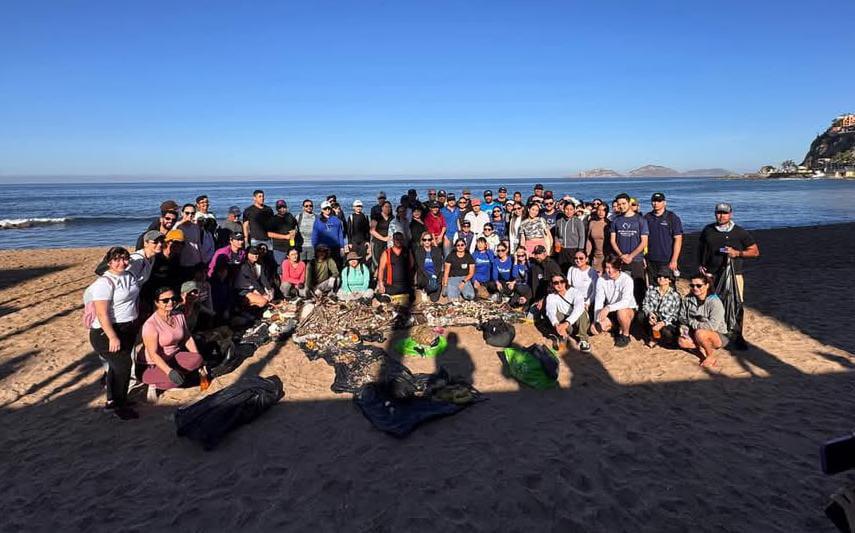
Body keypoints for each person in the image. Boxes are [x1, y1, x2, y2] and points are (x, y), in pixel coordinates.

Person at [85, 246, 141, 419]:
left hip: (128, 328)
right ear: (109, 262)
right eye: (116, 259)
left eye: (124, 258)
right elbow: (101, 313)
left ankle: (112, 401)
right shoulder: (104, 283)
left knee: (115, 368)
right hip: (107, 332)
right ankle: (119, 404)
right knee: (124, 366)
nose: (121, 263)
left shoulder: (129, 276)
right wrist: (112, 336)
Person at [141, 287, 204, 392]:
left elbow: (187, 337)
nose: (170, 302)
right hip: (155, 363)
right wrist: (169, 371)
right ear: (157, 303)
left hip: (174, 356)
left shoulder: (179, 315)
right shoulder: (150, 325)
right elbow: (153, 354)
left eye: (173, 299)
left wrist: (197, 358)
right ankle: (154, 384)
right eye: (165, 300)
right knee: (173, 380)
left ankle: (180, 375)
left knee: (198, 359)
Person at [697, 202, 760, 300]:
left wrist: (737, 253)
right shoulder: (708, 230)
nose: (721, 216)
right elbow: (701, 248)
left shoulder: (739, 232)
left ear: (730, 214)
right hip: (711, 275)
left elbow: (755, 252)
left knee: (735, 305)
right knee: (710, 304)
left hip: (733, 275)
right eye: (719, 213)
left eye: (725, 213)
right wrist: (701, 264)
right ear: (715, 214)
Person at [678, 272, 729, 367]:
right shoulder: (688, 299)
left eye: (699, 285)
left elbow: (713, 326)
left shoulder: (714, 301)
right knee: (682, 341)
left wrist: (693, 323)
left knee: (700, 333)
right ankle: (702, 345)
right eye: (692, 285)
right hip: (695, 330)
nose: (695, 288)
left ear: (707, 285)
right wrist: (684, 330)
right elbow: (682, 316)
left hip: (718, 334)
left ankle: (710, 356)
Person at [610, 193, 649, 307]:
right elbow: (613, 240)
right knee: (620, 287)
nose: (621, 206)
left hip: (636, 259)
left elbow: (644, 242)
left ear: (629, 203)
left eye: (624, 203)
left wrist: (631, 256)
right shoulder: (616, 221)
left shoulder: (640, 220)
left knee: (638, 288)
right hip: (620, 259)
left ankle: (639, 312)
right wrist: (621, 255)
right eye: (619, 204)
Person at [591, 255, 637, 348]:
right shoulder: (601, 280)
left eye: (612, 267)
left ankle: (625, 334)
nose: (610, 270)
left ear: (619, 267)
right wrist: (597, 320)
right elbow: (599, 300)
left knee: (621, 312)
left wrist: (608, 308)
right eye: (607, 267)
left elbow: (626, 302)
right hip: (611, 311)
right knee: (595, 329)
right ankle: (617, 327)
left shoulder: (627, 280)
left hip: (627, 310)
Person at [644, 192, 684, 285]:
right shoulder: (647, 217)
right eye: (654, 201)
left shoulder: (672, 218)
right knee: (653, 286)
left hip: (667, 259)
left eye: (659, 201)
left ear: (664, 203)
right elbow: (643, 239)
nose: (656, 203)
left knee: (668, 287)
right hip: (651, 259)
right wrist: (643, 257)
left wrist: (674, 260)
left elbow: (678, 239)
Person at [545, 274, 591, 352]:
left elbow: (579, 308)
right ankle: (563, 335)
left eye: (561, 281)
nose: (559, 284)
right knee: (556, 314)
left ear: (565, 282)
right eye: (556, 283)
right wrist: (556, 324)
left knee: (582, 311)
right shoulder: (551, 296)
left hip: (581, 323)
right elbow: (550, 310)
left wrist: (567, 323)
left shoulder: (574, 292)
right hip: (567, 326)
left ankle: (583, 340)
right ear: (552, 285)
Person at [640, 266, 681, 348]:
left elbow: (676, 315)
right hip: (654, 317)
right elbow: (645, 304)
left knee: (667, 332)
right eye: (659, 276)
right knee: (640, 316)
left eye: (665, 277)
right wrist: (650, 313)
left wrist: (663, 323)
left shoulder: (675, 295)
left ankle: (659, 339)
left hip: (667, 322)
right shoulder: (651, 289)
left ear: (670, 280)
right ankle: (651, 336)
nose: (661, 278)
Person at [376, 232, 413, 303]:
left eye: (400, 239)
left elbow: (411, 264)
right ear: (393, 240)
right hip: (391, 285)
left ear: (403, 240)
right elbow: (381, 269)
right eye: (396, 239)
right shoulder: (386, 253)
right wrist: (380, 283)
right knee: (383, 298)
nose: (398, 241)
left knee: (411, 298)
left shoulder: (407, 251)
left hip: (404, 285)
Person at [554, 200, 586, 272]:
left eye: (571, 209)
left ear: (574, 210)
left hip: (574, 250)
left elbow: (582, 236)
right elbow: (556, 235)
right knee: (562, 270)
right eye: (567, 209)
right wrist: (557, 243)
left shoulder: (578, 221)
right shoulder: (559, 221)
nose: (569, 211)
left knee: (574, 270)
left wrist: (580, 250)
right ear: (563, 210)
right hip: (562, 250)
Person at [312, 200, 346, 265]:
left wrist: (342, 247)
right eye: (325, 209)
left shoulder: (336, 220)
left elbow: (340, 234)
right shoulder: (318, 221)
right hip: (322, 248)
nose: (327, 210)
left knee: (336, 266)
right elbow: (315, 235)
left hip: (335, 247)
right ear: (322, 210)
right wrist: (315, 247)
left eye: (329, 208)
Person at [267, 199, 298, 269]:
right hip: (279, 248)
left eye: (284, 207)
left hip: (291, 247)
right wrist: (285, 236)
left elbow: (295, 227)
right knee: (279, 269)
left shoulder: (290, 216)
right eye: (280, 208)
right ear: (277, 209)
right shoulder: (273, 219)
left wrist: (294, 231)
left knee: (291, 268)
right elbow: (269, 234)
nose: (282, 209)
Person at [414, 231, 444, 302]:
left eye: (429, 239)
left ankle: (430, 288)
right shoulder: (418, 251)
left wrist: (434, 276)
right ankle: (424, 290)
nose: (427, 241)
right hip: (424, 275)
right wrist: (430, 277)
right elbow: (421, 267)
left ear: (431, 240)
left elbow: (439, 265)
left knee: (434, 299)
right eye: (425, 239)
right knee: (432, 286)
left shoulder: (437, 250)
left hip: (435, 275)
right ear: (422, 240)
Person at [175, 203, 204, 271]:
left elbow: (198, 244)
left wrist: (202, 260)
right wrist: (181, 222)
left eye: (192, 213)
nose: (190, 215)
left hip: (196, 261)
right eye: (187, 213)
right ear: (182, 213)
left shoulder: (196, 227)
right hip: (183, 263)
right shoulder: (178, 226)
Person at [586, 202, 610, 273]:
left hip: (606, 257)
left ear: (607, 212)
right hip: (595, 256)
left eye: (603, 210)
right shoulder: (592, 223)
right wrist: (587, 254)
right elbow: (589, 240)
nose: (600, 212)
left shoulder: (609, 224)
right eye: (599, 210)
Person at [369, 201, 393, 270]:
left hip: (388, 243)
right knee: (377, 262)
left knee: (387, 261)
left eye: (389, 207)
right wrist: (383, 238)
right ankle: (375, 278)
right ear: (382, 208)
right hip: (377, 242)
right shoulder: (377, 217)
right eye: (386, 206)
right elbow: (372, 231)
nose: (388, 208)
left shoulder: (392, 218)